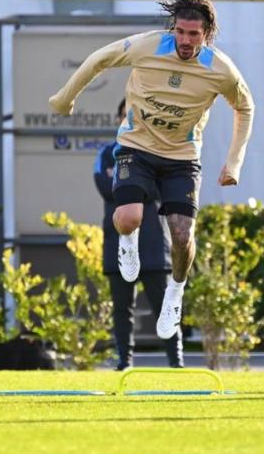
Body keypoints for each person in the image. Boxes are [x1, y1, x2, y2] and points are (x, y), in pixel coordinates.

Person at [50, 0, 254, 341]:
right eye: (180, 32)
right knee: (129, 218)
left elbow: (246, 108)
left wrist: (234, 161)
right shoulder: (147, 45)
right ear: (173, 28)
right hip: (137, 147)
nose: (185, 40)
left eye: (194, 34)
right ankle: (127, 242)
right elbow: (99, 59)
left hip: (182, 157)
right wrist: (65, 97)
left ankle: (176, 291)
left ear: (206, 35)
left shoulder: (221, 69)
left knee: (182, 234)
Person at [94, 99, 183, 370]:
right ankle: (125, 361)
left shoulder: (160, 152)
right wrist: (139, 186)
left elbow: (158, 190)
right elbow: (106, 189)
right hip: (118, 242)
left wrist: (128, 187)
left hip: (153, 244)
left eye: (134, 115)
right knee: (122, 309)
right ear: (118, 119)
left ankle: (176, 362)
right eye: (124, 115)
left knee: (164, 305)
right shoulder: (107, 153)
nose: (129, 121)